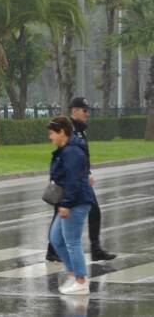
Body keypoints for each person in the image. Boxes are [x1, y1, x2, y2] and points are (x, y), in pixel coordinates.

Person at [47, 97, 115, 262]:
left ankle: (94, 248)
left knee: (90, 211)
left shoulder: (80, 129)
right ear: (75, 110)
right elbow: (66, 154)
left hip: (79, 177)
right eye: (84, 110)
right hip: (72, 179)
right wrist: (82, 174)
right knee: (62, 211)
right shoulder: (68, 128)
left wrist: (87, 171)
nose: (87, 114)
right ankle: (56, 251)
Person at [46, 115, 96, 295]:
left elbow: (73, 181)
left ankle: (81, 280)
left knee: (72, 242)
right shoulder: (67, 148)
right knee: (56, 238)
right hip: (69, 201)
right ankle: (74, 274)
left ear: (63, 133)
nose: (50, 137)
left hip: (75, 202)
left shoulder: (71, 151)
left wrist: (66, 204)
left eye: (52, 133)